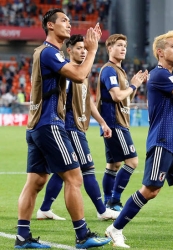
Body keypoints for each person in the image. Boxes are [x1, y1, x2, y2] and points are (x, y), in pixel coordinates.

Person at [104, 30, 173, 248]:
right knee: (151, 190)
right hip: (162, 142)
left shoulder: (171, 76)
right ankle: (115, 228)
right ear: (160, 52)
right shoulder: (159, 75)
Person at [15, 8, 111, 249]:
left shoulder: (44, 53)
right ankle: (82, 235)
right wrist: (92, 50)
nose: (69, 25)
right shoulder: (49, 53)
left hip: (35, 125)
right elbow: (79, 74)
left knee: (35, 182)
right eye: (64, 21)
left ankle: (22, 237)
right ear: (50, 26)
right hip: (49, 124)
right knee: (75, 178)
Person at [36, 34, 119, 222]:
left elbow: (87, 101)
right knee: (87, 167)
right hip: (70, 127)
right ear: (69, 50)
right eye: (79, 48)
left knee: (64, 171)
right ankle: (101, 210)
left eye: (85, 48)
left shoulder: (83, 71)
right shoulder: (67, 73)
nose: (83, 51)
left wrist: (103, 122)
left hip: (78, 126)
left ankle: (45, 208)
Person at [95, 34, 148, 211]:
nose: (123, 48)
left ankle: (107, 203)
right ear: (110, 48)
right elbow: (116, 96)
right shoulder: (109, 69)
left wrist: (135, 84)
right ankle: (114, 201)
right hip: (115, 122)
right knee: (132, 162)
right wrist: (132, 86)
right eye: (119, 45)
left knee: (113, 164)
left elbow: (125, 99)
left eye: (125, 45)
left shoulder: (119, 71)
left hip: (115, 122)